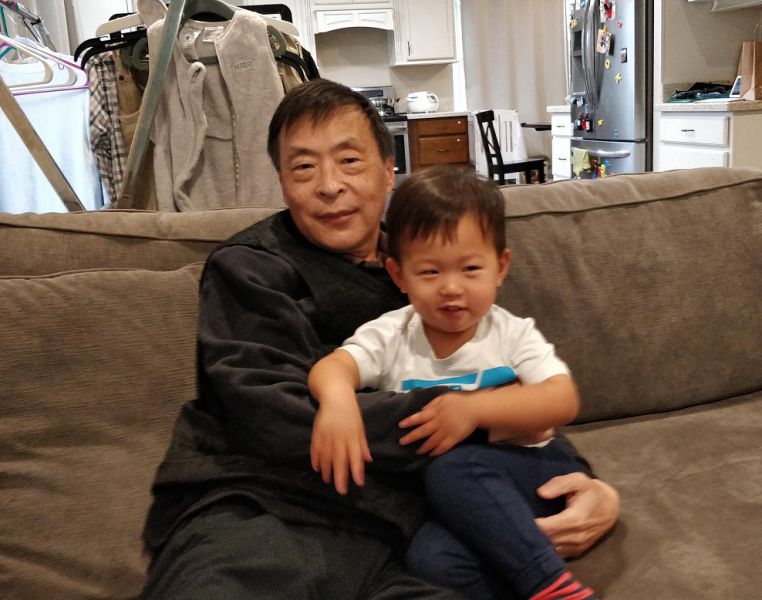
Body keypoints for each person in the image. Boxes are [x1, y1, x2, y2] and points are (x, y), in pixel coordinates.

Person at [140, 78, 619, 599]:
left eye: (349, 161)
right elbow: (273, 415)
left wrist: (586, 484)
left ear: (389, 171)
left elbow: (506, 371)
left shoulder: (432, 263)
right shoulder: (250, 268)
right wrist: (471, 413)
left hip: (399, 530)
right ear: (282, 183)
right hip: (260, 510)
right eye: (304, 168)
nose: (329, 185)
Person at [308, 166, 598, 600]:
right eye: (430, 272)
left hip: (534, 471)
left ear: (500, 268)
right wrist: (337, 403)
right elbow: (334, 367)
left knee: (452, 467)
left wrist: (474, 409)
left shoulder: (511, 332)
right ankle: (527, 572)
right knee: (429, 560)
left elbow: (562, 399)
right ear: (398, 275)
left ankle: (551, 587)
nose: (451, 288)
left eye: (470, 268)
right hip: (461, 500)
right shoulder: (393, 333)